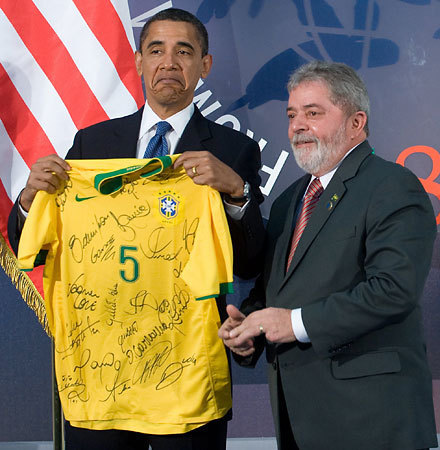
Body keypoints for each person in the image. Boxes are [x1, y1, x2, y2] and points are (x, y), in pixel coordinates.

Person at [8, 8, 265, 450]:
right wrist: (31, 200)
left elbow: (249, 262)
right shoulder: (92, 144)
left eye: (184, 51)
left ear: (204, 65)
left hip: (186, 376)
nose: (169, 62)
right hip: (100, 373)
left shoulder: (233, 150)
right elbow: (33, 249)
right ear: (139, 61)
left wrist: (237, 193)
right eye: (157, 50)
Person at [219, 61, 438, 450]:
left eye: (313, 113)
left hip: (371, 423)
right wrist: (249, 328)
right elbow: (275, 291)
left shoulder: (392, 186)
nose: (297, 126)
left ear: (356, 123)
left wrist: (293, 323)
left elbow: (393, 290)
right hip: (299, 421)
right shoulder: (288, 201)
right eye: (292, 115)